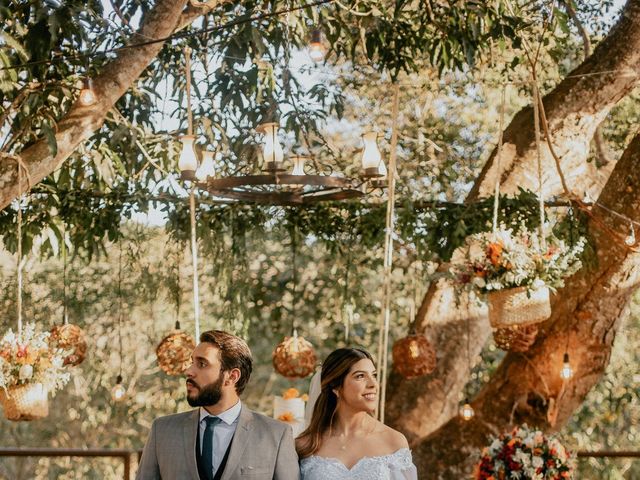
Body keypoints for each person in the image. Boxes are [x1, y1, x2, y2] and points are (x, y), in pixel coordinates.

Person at [137, 330, 300, 480]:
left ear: (232, 376)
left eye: (202, 364)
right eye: (192, 362)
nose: (189, 371)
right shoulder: (162, 431)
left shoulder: (276, 435)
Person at [296, 348, 418, 479]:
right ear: (336, 387)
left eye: (374, 375)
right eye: (360, 376)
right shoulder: (304, 445)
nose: (373, 384)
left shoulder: (394, 442)